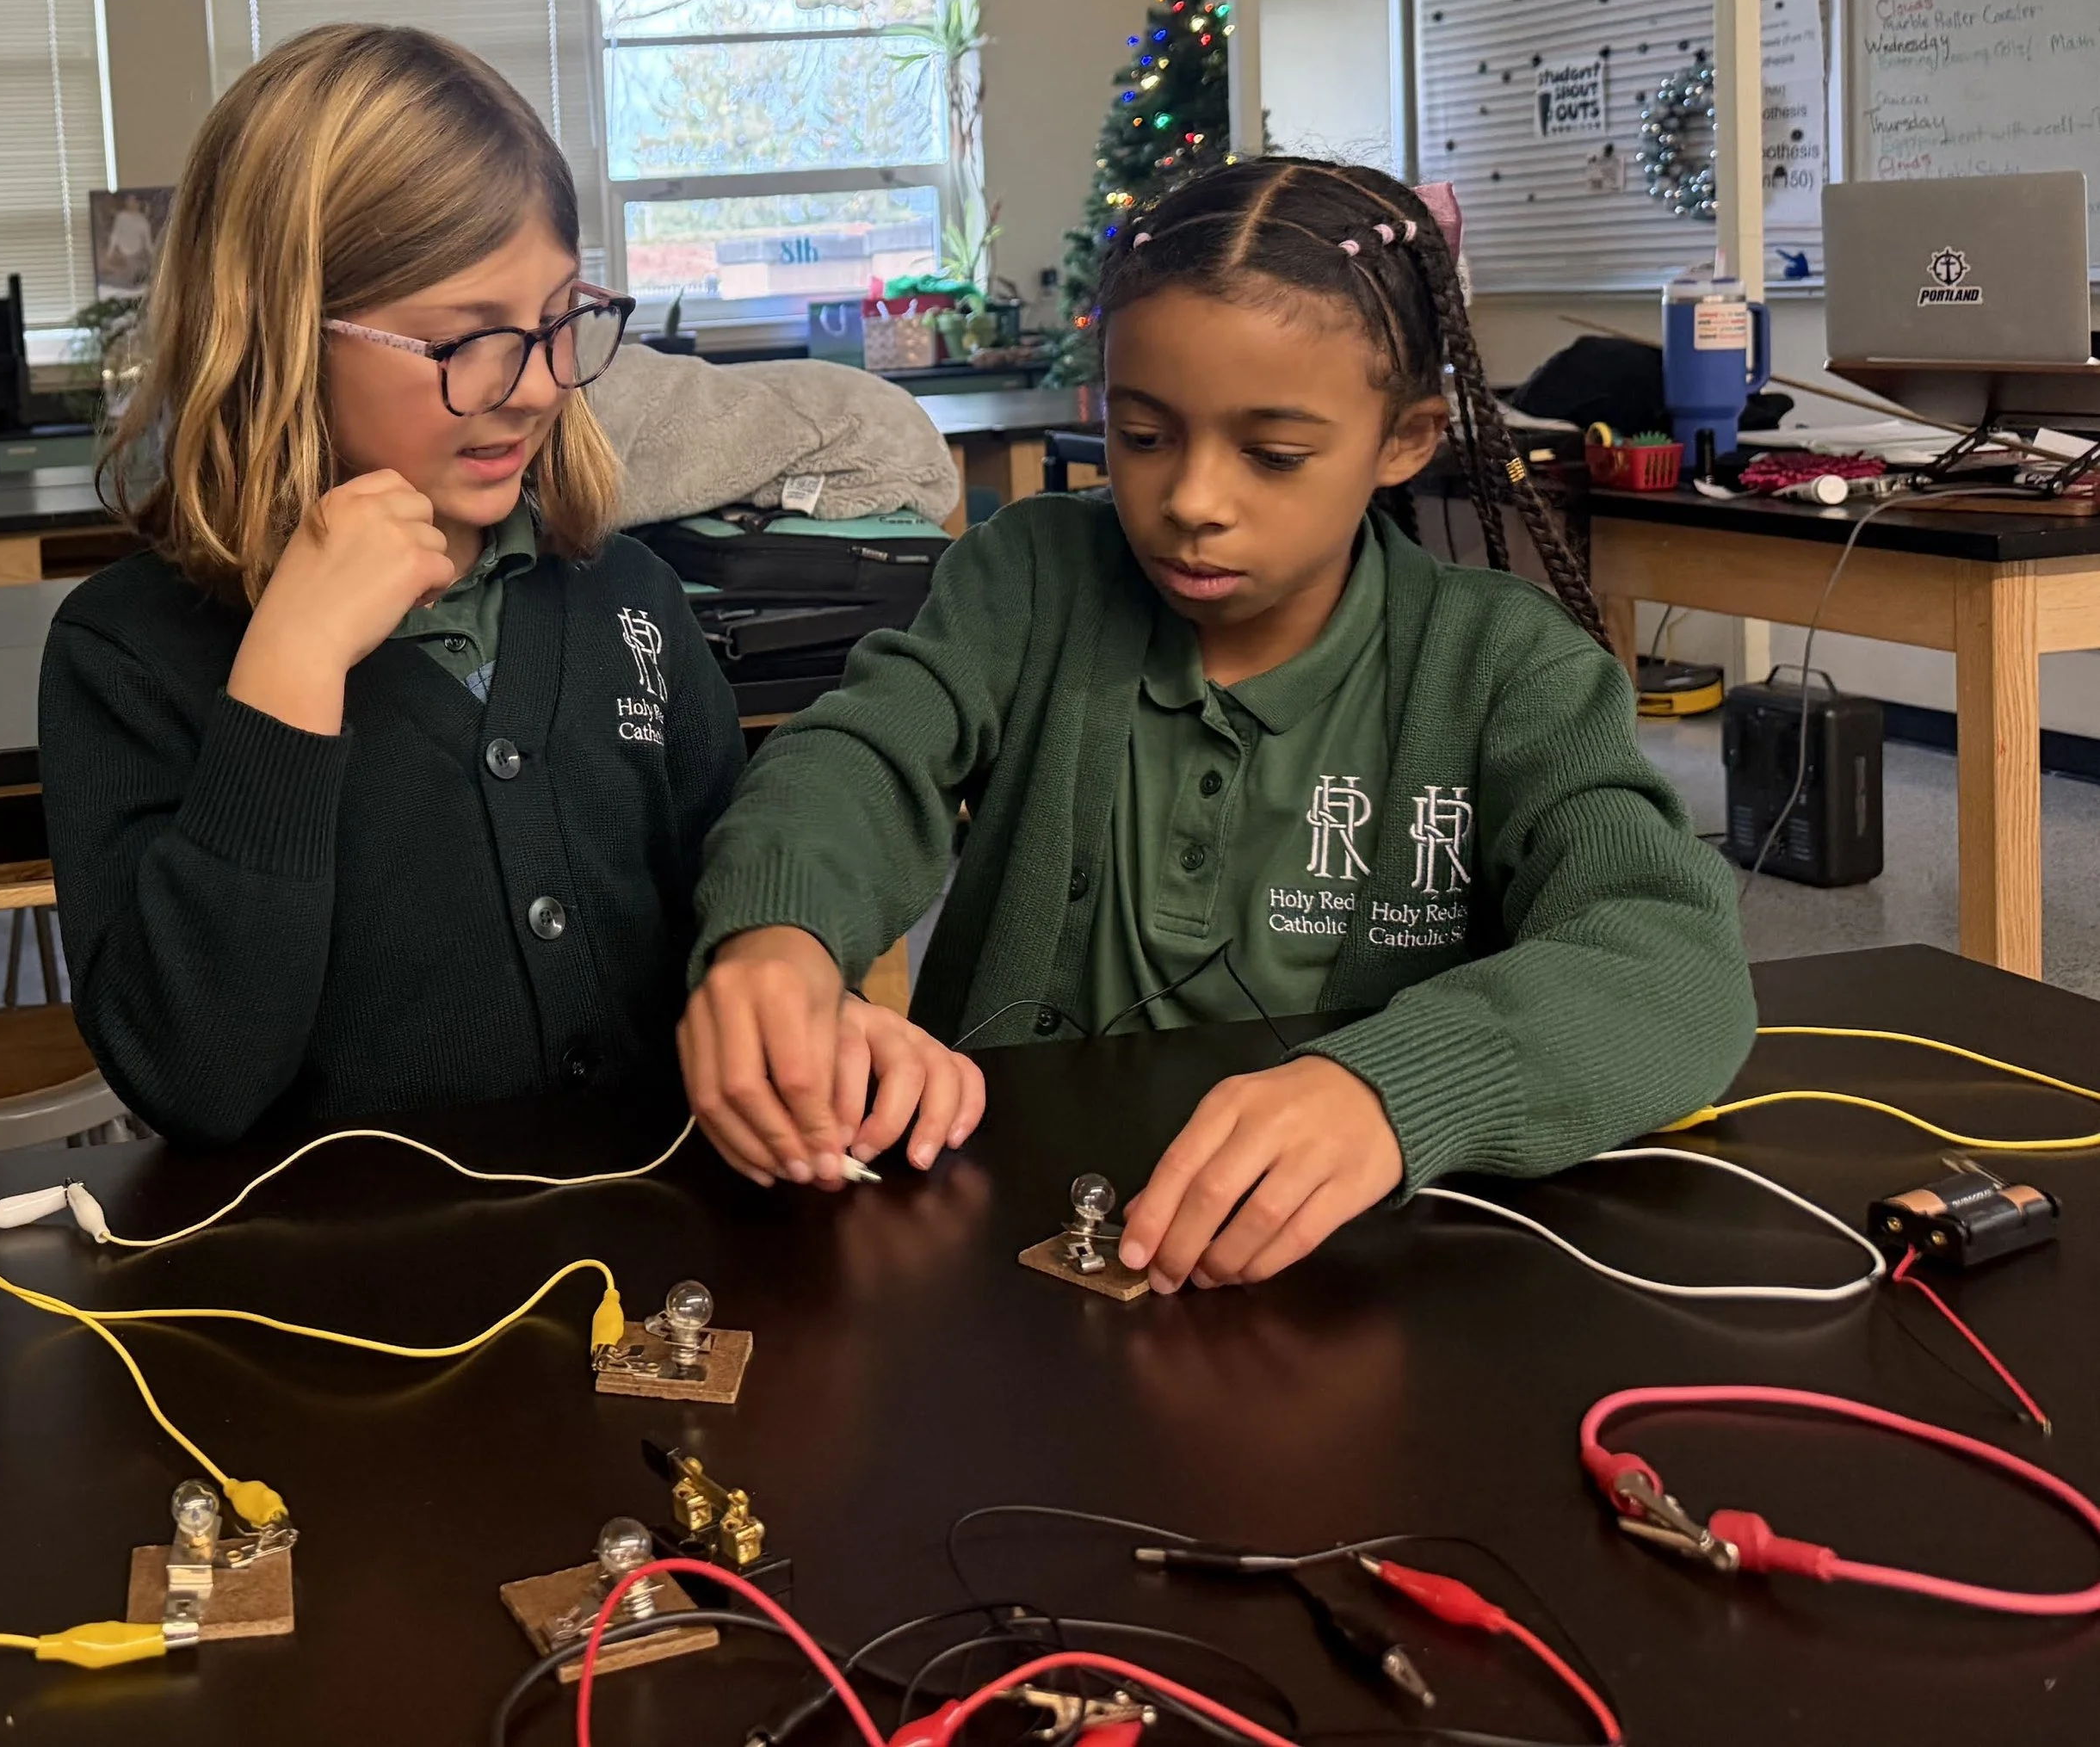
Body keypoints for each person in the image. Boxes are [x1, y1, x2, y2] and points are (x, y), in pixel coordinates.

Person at [678, 157, 1755, 1290]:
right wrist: (778, 932)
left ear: (1405, 439)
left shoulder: (1505, 665)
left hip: (1348, 1283)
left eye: (1273, 455)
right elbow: (860, 753)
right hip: (1011, 1246)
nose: (1192, 500)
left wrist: (1393, 1090)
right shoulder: (1028, 581)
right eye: (1144, 435)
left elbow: (1671, 959)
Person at [40, 23, 973, 1151]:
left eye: (559, 322)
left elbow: (728, 906)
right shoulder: (125, 655)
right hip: (340, 1263)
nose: (534, 388)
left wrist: (810, 1010)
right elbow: (195, 1077)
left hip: (648, 1244)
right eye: (469, 340)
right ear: (281, 331)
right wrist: (290, 671)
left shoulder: (629, 598)